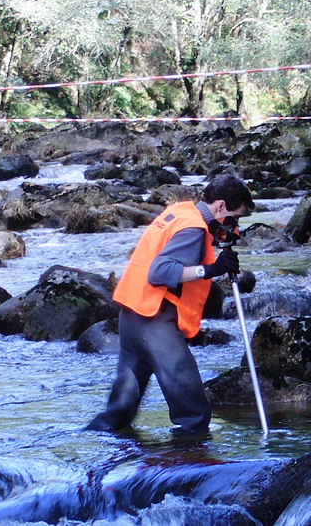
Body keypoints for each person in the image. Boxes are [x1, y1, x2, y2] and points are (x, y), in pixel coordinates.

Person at [86, 174, 254, 434]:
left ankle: (91, 451)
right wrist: (212, 269)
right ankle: (189, 466)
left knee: (118, 412)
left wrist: (217, 238)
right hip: (154, 320)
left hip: (132, 315)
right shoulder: (193, 229)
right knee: (194, 412)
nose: (237, 227)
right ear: (220, 206)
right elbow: (160, 272)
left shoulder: (182, 211)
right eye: (237, 217)